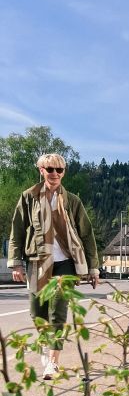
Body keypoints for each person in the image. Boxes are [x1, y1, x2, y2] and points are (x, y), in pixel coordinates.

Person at [8, 152, 99, 379]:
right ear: (42, 170)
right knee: (37, 313)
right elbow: (17, 231)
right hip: (38, 261)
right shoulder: (29, 197)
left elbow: (87, 234)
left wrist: (93, 267)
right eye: (51, 169)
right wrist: (16, 263)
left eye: (60, 170)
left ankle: (53, 363)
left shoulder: (72, 201)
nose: (56, 174)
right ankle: (46, 345)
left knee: (57, 313)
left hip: (66, 264)